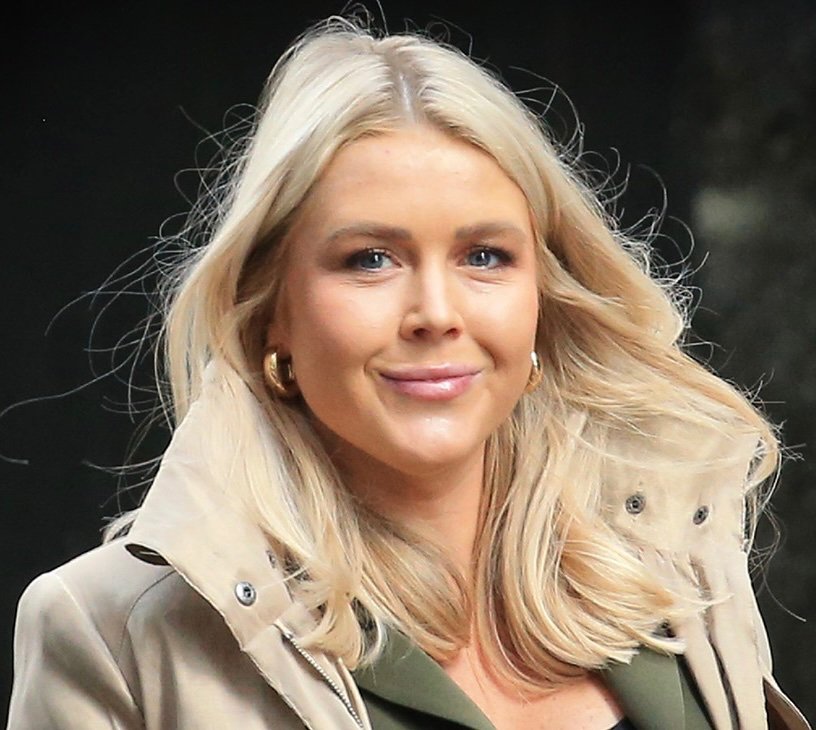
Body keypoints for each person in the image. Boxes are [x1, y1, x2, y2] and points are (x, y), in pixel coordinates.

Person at [7, 16, 810, 730]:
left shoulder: (677, 560)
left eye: (484, 256)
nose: (436, 312)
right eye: (370, 259)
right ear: (270, 314)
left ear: (542, 298)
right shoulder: (112, 632)